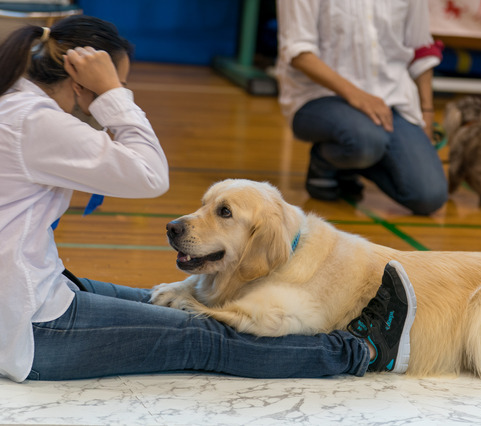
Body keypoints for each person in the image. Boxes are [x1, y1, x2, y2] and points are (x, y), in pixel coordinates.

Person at [0, 15, 417, 382]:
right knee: (201, 336)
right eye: (119, 83)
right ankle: (363, 349)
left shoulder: (16, 107)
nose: (120, 91)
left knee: (161, 298)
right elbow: (150, 174)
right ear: (80, 83)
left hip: (26, 294)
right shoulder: (37, 123)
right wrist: (112, 96)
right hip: (29, 330)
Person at [275, 0, 448, 215]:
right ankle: (325, 162)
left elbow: (421, 47)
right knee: (365, 139)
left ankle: (352, 162)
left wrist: (427, 111)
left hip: (392, 99)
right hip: (317, 97)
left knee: (429, 196)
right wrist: (355, 94)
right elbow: (299, 52)